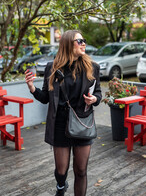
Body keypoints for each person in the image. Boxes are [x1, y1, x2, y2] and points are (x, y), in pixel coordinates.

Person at [25, 30, 102, 196]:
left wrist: (94, 99)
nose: (83, 44)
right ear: (68, 44)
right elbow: (46, 97)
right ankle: (61, 186)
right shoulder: (52, 68)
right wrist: (32, 88)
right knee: (61, 170)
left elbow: (98, 93)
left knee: (81, 170)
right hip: (60, 123)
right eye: (79, 41)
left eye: (84, 40)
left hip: (82, 122)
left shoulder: (93, 67)